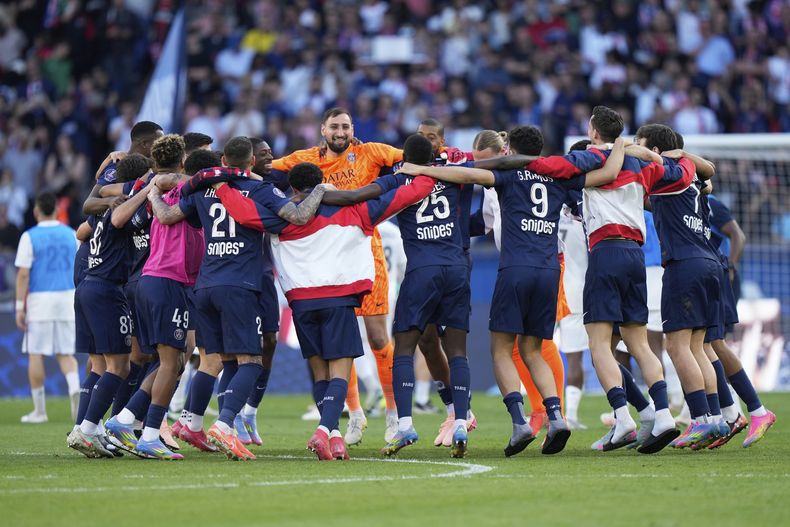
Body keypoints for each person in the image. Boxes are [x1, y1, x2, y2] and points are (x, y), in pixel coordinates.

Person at [396, 126, 627, 456]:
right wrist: (619, 143)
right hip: (550, 269)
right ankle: (556, 417)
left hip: (516, 268)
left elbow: (468, 174)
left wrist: (421, 169)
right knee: (533, 349)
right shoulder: (560, 176)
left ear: (510, 151)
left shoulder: (508, 176)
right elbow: (606, 173)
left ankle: (519, 422)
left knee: (501, 349)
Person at [203, 139, 438, 461]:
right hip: (339, 300)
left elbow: (244, 214)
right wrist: (426, 173)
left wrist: (221, 186)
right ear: (321, 184)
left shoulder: (280, 218)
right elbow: (406, 194)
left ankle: (336, 437)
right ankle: (325, 429)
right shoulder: (356, 210)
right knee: (340, 371)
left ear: (294, 188)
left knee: (320, 372)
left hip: (301, 304)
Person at [149, 136, 330, 461]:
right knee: (251, 361)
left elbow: (165, 215)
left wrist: (152, 193)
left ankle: (190, 421)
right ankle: (225, 423)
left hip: (204, 285)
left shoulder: (206, 190)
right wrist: (321, 189)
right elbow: (300, 216)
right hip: (239, 284)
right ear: (248, 162)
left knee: (212, 360)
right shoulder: (261, 190)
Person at [271, 107, 404, 442]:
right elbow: (264, 169)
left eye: (346, 126)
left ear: (352, 129)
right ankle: (355, 415)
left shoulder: (371, 152)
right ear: (323, 130)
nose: (341, 132)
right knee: (339, 343)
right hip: (328, 260)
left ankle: (393, 413)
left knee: (377, 337)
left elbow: (407, 158)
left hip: (366, 253)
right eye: (335, 127)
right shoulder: (305, 159)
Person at [633, 123, 726, 449]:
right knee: (697, 347)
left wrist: (620, 150)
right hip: (708, 263)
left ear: (656, 151)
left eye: (640, 142)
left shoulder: (670, 175)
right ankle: (715, 420)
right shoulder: (694, 184)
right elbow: (706, 171)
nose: (635, 146)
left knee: (676, 347)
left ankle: (699, 420)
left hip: (684, 266)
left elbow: (674, 168)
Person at [67, 154, 153, 459]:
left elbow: (81, 231)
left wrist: (101, 172)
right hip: (107, 289)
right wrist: (147, 190)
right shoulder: (123, 207)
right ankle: (87, 429)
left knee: (102, 365)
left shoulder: (103, 208)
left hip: (89, 285)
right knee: (121, 366)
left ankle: (91, 428)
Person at [15, 191, 80, 423]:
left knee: (36, 352)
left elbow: (23, 274)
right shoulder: (72, 234)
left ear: (36, 211)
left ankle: (40, 411)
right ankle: (74, 387)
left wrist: (19, 307)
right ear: (56, 209)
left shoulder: (29, 236)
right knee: (65, 353)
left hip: (41, 300)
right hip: (67, 298)